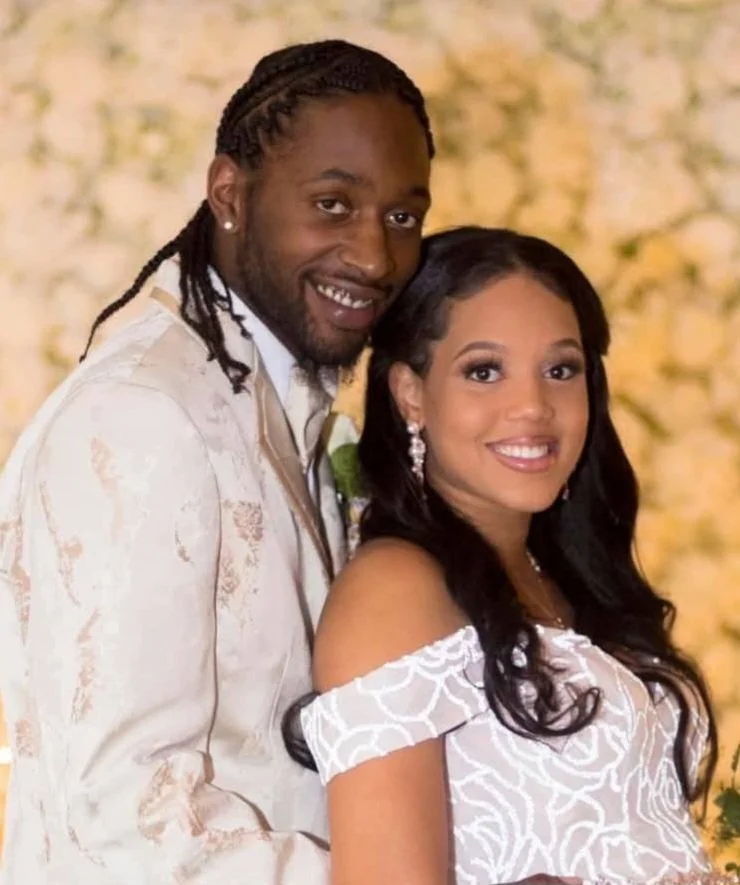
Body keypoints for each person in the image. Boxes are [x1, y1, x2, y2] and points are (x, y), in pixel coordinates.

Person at [0, 40, 434, 884]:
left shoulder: (288, 402)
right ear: (229, 194)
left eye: (402, 217)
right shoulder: (141, 415)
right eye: (333, 204)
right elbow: (130, 818)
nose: (375, 257)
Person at [294, 226, 722, 885]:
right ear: (411, 393)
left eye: (561, 370)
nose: (532, 407)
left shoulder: (562, 575)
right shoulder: (396, 589)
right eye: (484, 371)